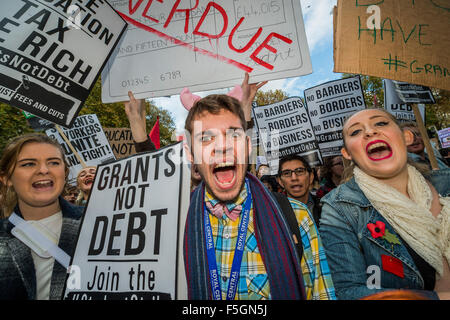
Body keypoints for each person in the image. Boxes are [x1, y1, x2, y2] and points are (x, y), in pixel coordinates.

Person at [183, 93, 335, 300]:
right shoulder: (175, 222)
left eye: (233, 135)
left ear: (247, 147)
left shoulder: (297, 216)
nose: (222, 146)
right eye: (206, 138)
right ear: (190, 154)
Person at [319, 108, 450, 300]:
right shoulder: (340, 208)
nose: (370, 132)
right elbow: (350, 292)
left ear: (406, 137)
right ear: (347, 153)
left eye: (380, 123)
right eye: (355, 131)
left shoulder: (446, 183)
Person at [0, 133, 83, 299]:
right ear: (6, 178)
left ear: (65, 172)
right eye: (29, 164)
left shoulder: (97, 224)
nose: (44, 170)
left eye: (53, 162)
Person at [277, 154, 322, 226]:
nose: (294, 178)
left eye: (300, 171)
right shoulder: (274, 212)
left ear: (311, 177)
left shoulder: (325, 207)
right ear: (280, 182)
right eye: (287, 173)